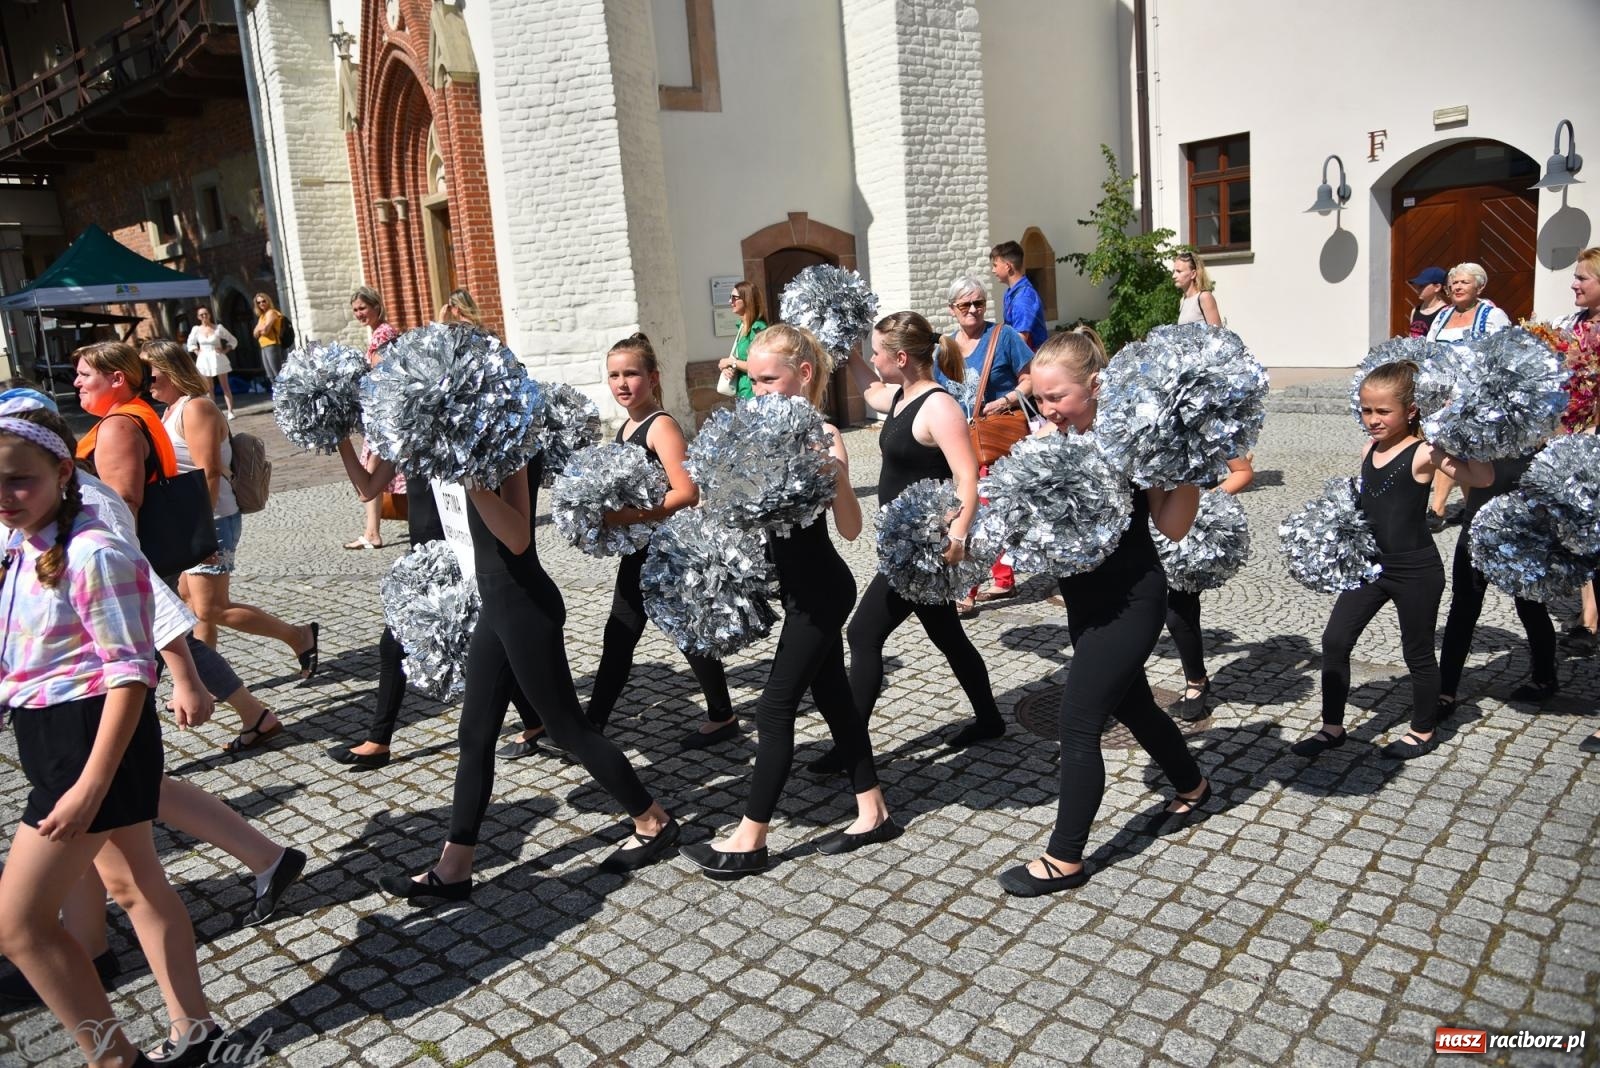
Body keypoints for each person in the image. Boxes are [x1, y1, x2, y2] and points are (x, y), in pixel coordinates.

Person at [0, 402, 223, 1065]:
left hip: (91, 741)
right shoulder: (22, 541)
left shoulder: (92, 549)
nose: (6, 497)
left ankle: (113, 1058)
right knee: (133, 885)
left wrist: (90, 785)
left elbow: (130, 671)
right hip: (56, 734)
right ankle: (197, 1032)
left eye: (20, 480)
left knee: (19, 926)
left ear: (63, 472)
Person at [379, 452, 679, 902]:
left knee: (567, 729)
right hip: (494, 610)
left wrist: (471, 479)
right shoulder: (461, 439)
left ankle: (653, 821)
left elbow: (518, 537)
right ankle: (455, 867)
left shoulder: (509, 444)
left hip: (524, 610)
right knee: (474, 735)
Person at [679, 325, 898, 878]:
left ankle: (752, 836)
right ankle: (872, 810)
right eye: (751, 379)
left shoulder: (823, 434)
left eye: (768, 378)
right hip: (796, 592)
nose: (757, 390)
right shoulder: (751, 434)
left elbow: (850, 531)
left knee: (775, 708)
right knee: (835, 701)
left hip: (823, 592)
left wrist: (837, 477)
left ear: (803, 375)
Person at [997, 328, 1207, 897]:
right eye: (1039, 398)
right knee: (1136, 704)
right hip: (1084, 605)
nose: (1048, 409)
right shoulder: (1050, 439)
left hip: (1131, 602)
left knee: (1078, 722)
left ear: (1095, 386)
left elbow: (1173, 525)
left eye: (1058, 397)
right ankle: (1192, 786)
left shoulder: (1135, 442)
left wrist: (1188, 457)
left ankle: (1065, 858)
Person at [73, 341, 284, 756]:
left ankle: (134, 745)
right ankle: (252, 713)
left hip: (135, 554)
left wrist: (119, 570)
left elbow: (123, 504)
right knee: (172, 635)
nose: (75, 381)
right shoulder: (138, 414)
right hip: (150, 550)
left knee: (164, 636)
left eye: (85, 374)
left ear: (116, 379)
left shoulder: (119, 426)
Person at [825, 310, 1003, 761]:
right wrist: (844, 346)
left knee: (863, 635)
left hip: (924, 550)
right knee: (948, 635)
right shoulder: (903, 396)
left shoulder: (938, 407)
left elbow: (967, 477)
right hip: (906, 546)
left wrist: (957, 539)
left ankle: (850, 744)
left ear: (901, 357)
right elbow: (868, 387)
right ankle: (990, 718)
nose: (872, 356)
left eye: (877, 350)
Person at [1293, 361, 1492, 762]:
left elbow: (1482, 479)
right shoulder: (1369, 449)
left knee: (1416, 652)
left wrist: (1469, 433)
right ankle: (1332, 727)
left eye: (1383, 411)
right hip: (1371, 565)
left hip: (1416, 570)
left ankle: (1422, 729)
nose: (1373, 420)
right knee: (1334, 640)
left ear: (1411, 410)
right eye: (1367, 410)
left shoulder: (1424, 452)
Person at [584, 333, 738, 748]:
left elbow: (686, 492)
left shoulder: (660, 425)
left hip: (668, 551)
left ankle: (591, 725)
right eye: (614, 374)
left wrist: (624, 516)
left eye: (631, 373)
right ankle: (593, 722)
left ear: (652, 377)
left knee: (682, 632)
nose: (621, 382)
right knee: (626, 635)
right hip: (641, 550)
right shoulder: (626, 426)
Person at [143, 340, 319, 688]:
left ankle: (299, 637)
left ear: (171, 370)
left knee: (212, 607)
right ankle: (204, 677)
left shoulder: (196, 409)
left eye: (149, 373)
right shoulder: (170, 410)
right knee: (192, 600)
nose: (145, 382)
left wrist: (200, 530)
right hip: (191, 520)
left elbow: (209, 471)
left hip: (213, 518)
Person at [936, 275, 1034, 613]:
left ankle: (967, 587)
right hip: (957, 441)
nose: (974, 310)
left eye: (979, 303)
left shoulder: (1003, 336)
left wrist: (1006, 400)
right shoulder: (945, 347)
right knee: (977, 509)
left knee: (978, 510)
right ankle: (1003, 578)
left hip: (993, 440)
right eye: (966, 305)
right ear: (953, 310)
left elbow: (1031, 377)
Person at [1437, 454, 1559, 714]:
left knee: (1531, 606)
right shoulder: (1479, 432)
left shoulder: (1537, 431)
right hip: (1475, 527)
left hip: (1524, 533)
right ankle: (1445, 691)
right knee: (1463, 609)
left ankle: (1545, 677)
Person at [1163, 453, 1254, 721]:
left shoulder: (1210, 419)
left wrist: (1202, 503)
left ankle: (1196, 682)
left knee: (1178, 612)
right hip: (1145, 524)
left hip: (1191, 529)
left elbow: (1243, 472)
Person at [1424, 262, 1511, 532]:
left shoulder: (1493, 315)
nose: (1457, 287)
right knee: (1446, 449)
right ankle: (1444, 508)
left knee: (1469, 454)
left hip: (1475, 399)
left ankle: (1472, 509)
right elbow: (1428, 350)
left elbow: (1501, 357)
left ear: (1480, 286)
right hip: (1442, 397)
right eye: (1454, 283)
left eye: (1464, 282)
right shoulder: (1442, 315)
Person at [1556, 248, 1600, 658]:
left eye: (1583, 278)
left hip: (1595, 436)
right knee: (1580, 525)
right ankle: (1589, 613)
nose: (1574, 284)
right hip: (1571, 436)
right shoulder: (1571, 324)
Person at [346, 285, 403, 551]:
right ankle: (371, 531)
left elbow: (382, 374)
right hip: (379, 414)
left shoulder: (384, 333)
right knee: (371, 471)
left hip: (384, 415)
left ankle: (373, 533)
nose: (359, 313)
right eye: (355, 309)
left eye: (363, 308)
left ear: (376, 306)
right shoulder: (379, 333)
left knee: (369, 475)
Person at [991, 241, 1049, 351]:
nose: (993, 270)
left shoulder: (1023, 298)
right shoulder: (1011, 293)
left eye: (995, 265)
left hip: (1034, 362)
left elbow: (1020, 339)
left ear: (1008, 266)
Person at [715, 280, 768, 399]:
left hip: (755, 395)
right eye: (730, 297)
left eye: (734, 298)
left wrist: (731, 362)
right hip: (743, 393)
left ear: (747, 300)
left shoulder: (758, 329)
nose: (730, 301)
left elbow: (761, 366)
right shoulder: (742, 327)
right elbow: (739, 361)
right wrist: (727, 368)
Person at [185, 304, 238, 421]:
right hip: (204, 359)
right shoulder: (196, 330)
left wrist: (225, 350)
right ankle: (213, 412)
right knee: (209, 388)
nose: (204, 316)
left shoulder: (218, 328)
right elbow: (190, 343)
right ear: (198, 317)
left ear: (209, 315)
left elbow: (232, 340)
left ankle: (230, 411)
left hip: (217, 357)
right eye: (201, 315)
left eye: (206, 314)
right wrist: (197, 351)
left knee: (225, 386)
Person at [1172, 251, 1222, 326]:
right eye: (1174, 271)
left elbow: (1218, 334)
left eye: (1179, 271)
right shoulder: (1183, 300)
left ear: (1193, 274)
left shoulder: (1204, 297)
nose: (1173, 276)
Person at [252, 292, 287, 384]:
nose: (261, 304)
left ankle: (285, 395)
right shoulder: (262, 316)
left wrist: (260, 329)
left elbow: (265, 330)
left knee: (277, 373)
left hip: (272, 344)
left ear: (268, 301)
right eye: (258, 302)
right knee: (270, 375)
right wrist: (260, 329)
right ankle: (278, 395)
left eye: (263, 301)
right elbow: (255, 333)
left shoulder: (271, 312)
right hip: (264, 345)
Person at [1406, 267, 1449, 337]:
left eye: (1422, 285)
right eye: (1417, 285)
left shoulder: (1445, 313)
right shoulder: (1415, 311)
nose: (1417, 289)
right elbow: (1410, 337)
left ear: (1437, 287)